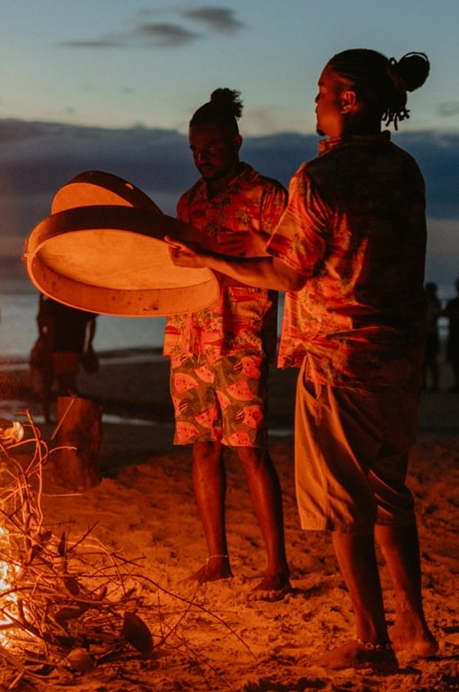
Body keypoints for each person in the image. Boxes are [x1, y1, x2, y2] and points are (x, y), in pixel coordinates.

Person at [168, 49, 438, 672]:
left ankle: (372, 643)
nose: (313, 103)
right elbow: (350, 243)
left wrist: (213, 258)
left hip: (340, 359)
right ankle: (416, 629)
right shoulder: (406, 170)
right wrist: (252, 241)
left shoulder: (317, 178)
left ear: (349, 101)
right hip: (398, 360)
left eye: (321, 92)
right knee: (389, 493)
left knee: (346, 507)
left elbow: (286, 274)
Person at [163, 88, 292, 602]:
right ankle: (217, 560)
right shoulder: (188, 203)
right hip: (190, 335)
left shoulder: (267, 195)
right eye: (195, 148)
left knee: (250, 451)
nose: (203, 156)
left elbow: (291, 265)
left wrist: (259, 247)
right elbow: (179, 270)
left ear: (235, 142)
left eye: (212, 146)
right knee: (202, 447)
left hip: (242, 337)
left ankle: (277, 568)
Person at [33, 294, 97, 424]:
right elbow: (92, 321)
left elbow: (43, 322)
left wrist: (44, 344)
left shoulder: (53, 303)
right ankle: (66, 415)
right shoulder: (78, 301)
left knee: (59, 383)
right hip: (72, 347)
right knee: (65, 383)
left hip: (59, 347)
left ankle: (61, 416)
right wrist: (89, 344)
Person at [423, 282, 442, 391]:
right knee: (426, 361)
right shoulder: (432, 303)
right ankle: (426, 383)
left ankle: (434, 383)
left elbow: (433, 317)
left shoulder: (434, 303)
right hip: (428, 332)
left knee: (431, 360)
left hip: (431, 333)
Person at [445, 278, 459, 391]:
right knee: (454, 360)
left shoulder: (453, 303)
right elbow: (446, 314)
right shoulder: (453, 303)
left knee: (455, 361)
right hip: (454, 334)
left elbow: (446, 314)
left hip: (454, 334)